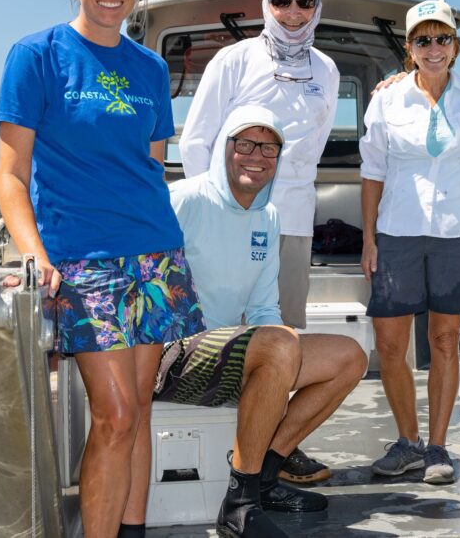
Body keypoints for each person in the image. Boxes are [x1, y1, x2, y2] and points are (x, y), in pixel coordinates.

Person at [0, 0, 205, 538]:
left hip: (155, 254)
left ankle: (131, 530)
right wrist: (36, 256)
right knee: (113, 416)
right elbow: (10, 175)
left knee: (138, 411)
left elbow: (150, 165)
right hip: (83, 259)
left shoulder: (150, 68)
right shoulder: (35, 56)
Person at [150, 105, 367, 538]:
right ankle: (240, 505)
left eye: (269, 148)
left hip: (226, 352)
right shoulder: (184, 198)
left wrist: (282, 346)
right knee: (278, 345)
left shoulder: (268, 218)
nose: (257, 156)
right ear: (225, 148)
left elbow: (265, 307)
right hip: (169, 354)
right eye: (245, 144)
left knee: (350, 355)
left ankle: (264, 477)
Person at [177, 0, 339, 483]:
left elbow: (313, 149)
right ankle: (226, 442)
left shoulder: (328, 70)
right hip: (223, 220)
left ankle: (273, 448)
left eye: (305, 1)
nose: (293, 11)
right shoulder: (233, 59)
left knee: (283, 333)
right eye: (282, 0)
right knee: (219, 331)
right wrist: (215, 212)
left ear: (317, 8)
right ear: (266, 6)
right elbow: (197, 139)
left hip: (291, 220)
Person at [360, 0, 460, 484]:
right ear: (410, 48)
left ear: (456, 46)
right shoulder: (386, 99)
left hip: (456, 234)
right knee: (391, 345)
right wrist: (368, 239)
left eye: (443, 38)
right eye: (423, 40)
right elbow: (372, 171)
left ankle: (437, 447)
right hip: (397, 233)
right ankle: (407, 441)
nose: (434, 48)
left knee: (445, 340)